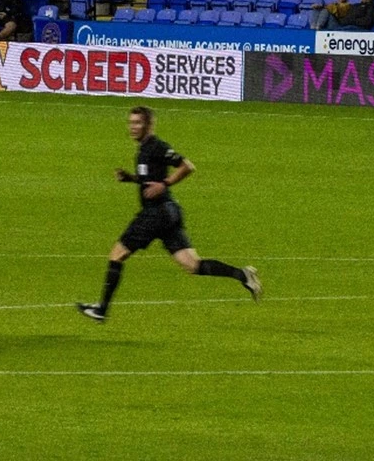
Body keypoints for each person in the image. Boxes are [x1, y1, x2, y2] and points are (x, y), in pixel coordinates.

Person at [77, 107, 261, 323]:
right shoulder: (144, 150)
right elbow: (149, 178)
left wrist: (165, 184)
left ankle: (101, 310)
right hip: (169, 214)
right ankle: (243, 275)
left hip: (156, 213)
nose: (132, 127)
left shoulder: (157, 146)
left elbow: (187, 166)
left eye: (137, 123)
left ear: (148, 125)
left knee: (117, 254)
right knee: (192, 265)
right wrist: (132, 179)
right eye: (131, 123)